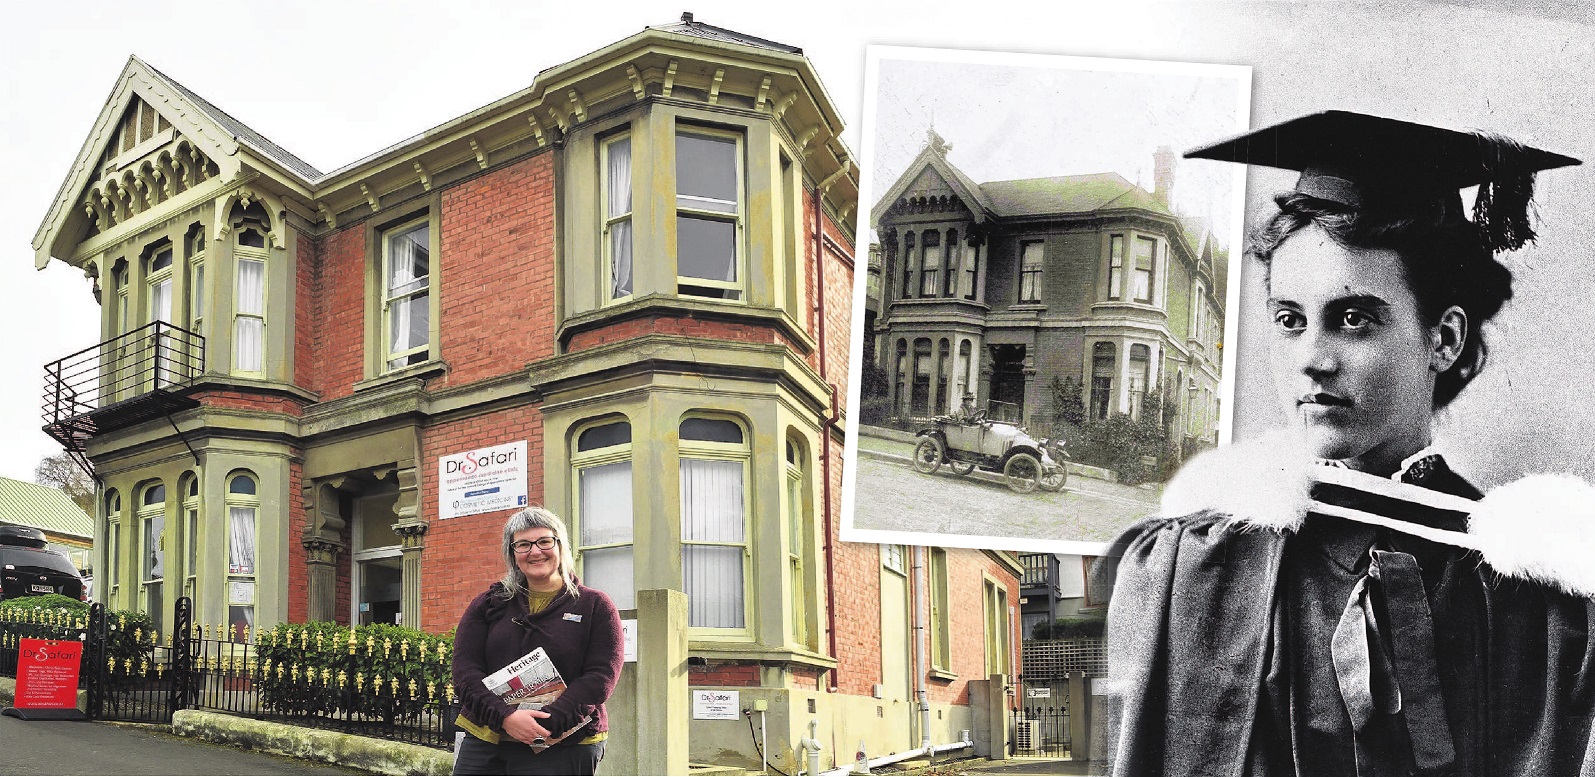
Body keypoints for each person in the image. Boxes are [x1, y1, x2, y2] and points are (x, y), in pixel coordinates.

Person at [1099, 111, 1595, 776]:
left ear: (1442, 340)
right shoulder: (1192, 567)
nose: (1311, 359)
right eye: (1289, 320)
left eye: (1353, 318)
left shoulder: (1539, 602)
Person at [452, 507, 625, 776]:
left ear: (560, 546)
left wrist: (543, 723)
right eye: (523, 544)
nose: (535, 552)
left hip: (566, 741)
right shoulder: (486, 605)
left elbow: (600, 676)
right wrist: (505, 717)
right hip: (488, 739)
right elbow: (465, 672)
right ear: (512, 553)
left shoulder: (595, 605)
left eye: (544, 541)